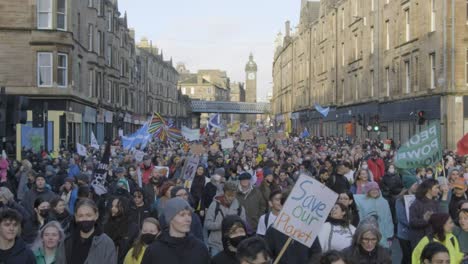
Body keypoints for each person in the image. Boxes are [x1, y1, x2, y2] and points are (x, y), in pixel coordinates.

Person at [141, 197, 210, 264]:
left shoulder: (200, 248)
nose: (188, 219)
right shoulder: (154, 250)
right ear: (170, 219)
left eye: (189, 214)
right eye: (182, 215)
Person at [55, 198, 117, 264]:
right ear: (76, 217)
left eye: (88, 215)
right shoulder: (66, 242)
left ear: (96, 215)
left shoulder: (106, 243)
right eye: (80, 216)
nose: (84, 219)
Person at [205, 181, 247, 256]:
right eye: (229, 195)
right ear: (224, 193)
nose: (231, 198)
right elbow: (207, 224)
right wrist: (223, 225)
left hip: (233, 247)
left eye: (233, 195)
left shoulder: (240, 209)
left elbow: (243, 227)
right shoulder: (215, 205)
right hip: (216, 245)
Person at [409, 179, 449, 248]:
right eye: (436, 188)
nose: (438, 190)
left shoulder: (435, 202)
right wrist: (426, 220)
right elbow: (412, 222)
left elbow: (443, 217)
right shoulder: (416, 204)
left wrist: (445, 194)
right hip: (420, 241)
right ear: (428, 189)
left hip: (434, 239)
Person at [354, 181, 394, 248]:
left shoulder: (384, 202)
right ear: (368, 191)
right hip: (368, 232)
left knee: (383, 253)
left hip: (383, 233)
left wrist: (390, 235)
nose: (374, 191)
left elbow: (388, 218)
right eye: (372, 190)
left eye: (376, 189)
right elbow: (350, 197)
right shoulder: (362, 201)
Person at [103, 196, 139, 264]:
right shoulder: (106, 224)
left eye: (116, 207)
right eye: (112, 206)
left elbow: (134, 250)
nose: (112, 209)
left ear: (124, 208)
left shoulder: (133, 227)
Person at [395, 174, 418, 264]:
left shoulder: (419, 197)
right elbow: (401, 217)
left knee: (415, 256)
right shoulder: (400, 200)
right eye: (414, 184)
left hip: (416, 233)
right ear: (409, 185)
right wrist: (415, 223)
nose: (417, 186)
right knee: (407, 257)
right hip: (404, 234)